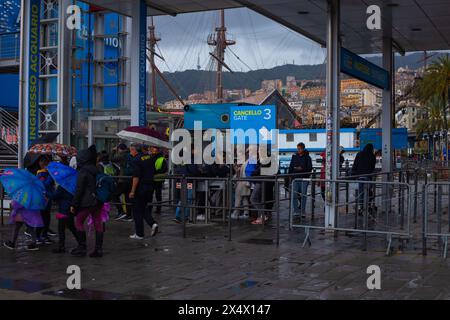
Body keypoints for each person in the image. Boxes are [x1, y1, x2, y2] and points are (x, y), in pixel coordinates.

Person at [70, 145, 104, 258]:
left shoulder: (83, 171)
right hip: (98, 201)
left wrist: (74, 204)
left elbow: (79, 190)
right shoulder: (97, 169)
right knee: (98, 223)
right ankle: (98, 249)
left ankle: (82, 247)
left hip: (87, 202)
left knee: (79, 221)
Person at [128, 143, 159, 239]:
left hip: (140, 188)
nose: (130, 152)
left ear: (135, 150)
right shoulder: (149, 158)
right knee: (143, 207)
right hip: (149, 187)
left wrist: (132, 191)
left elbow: (136, 177)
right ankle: (152, 223)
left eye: (131, 150)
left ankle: (139, 233)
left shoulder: (136, 160)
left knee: (137, 210)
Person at [51, 184, 78, 253]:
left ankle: (61, 247)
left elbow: (54, 196)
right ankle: (82, 243)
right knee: (72, 227)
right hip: (70, 208)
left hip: (64, 209)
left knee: (61, 229)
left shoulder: (63, 186)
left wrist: (47, 193)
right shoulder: (73, 186)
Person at [288, 142, 313, 217]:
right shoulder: (294, 156)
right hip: (295, 178)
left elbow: (309, 168)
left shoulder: (308, 158)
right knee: (294, 195)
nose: (298, 150)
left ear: (303, 149)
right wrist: (289, 176)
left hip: (304, 178)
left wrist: (301, 169)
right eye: (297, 148)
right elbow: (291, 166)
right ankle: (296, 211)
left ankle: (302, 211)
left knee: (303, 195)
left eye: (299, 149)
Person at [111, 144, 134, 221]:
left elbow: (112, 159)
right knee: (127, 198)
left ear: (120, 149)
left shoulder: (123, 154)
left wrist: (113, 151)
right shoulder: (130, 154)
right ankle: (129, 215)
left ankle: (121, 212)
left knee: (114, 195)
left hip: (123, 180)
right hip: (130, 179)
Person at [36, 155, 55, 244]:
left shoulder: (45, 173)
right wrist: (51, 176)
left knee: (46, 218)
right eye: (46, 162)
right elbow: (44, 185)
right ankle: (39, 236)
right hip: (44, 199)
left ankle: (43, 235)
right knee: (44, 218)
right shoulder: (41, 174)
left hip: (48, 198)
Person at [351, 143, 376, 212]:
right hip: (367, 177)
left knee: (360, 192)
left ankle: (361, 207)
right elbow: (372, 167)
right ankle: (366, 206)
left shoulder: (359, 154)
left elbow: (355, 164)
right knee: (368, 192)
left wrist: (353, 174)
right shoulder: (372, 156)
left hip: (358, 176)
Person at [150, 146, 168, 215]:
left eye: (154, 149)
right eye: (153, 149)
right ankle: (152, 208)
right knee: (152, 194)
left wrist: (153, 171)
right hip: (153, 178)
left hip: (158, 179)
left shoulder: (161, 159)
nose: (153, 150)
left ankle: (158, 209)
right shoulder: (151, 157)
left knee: (157, 195)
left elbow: (164, 169)